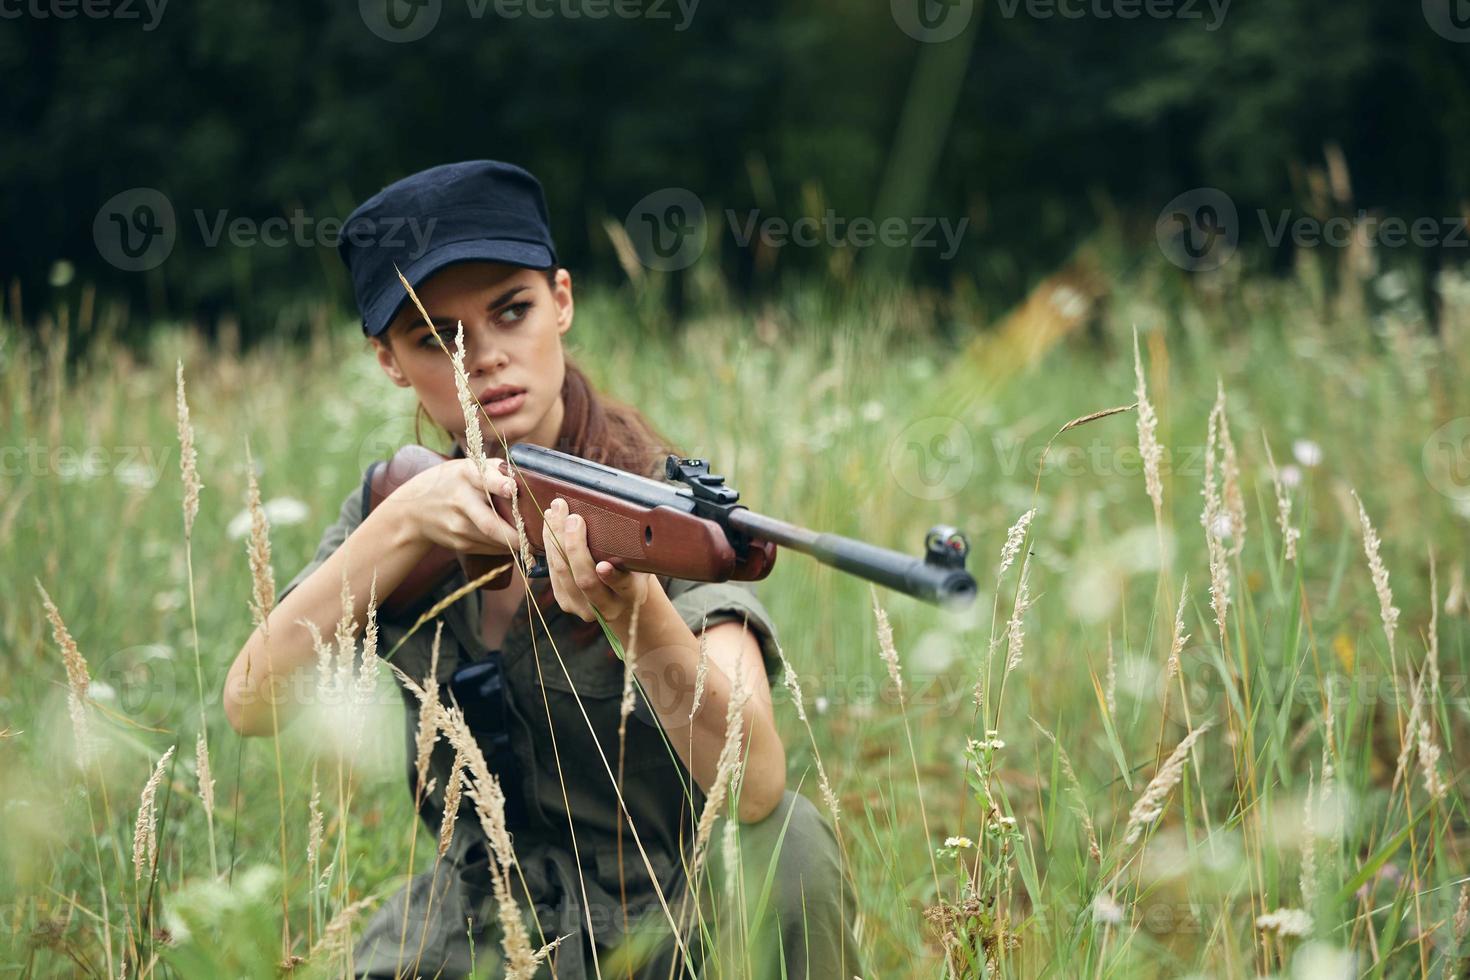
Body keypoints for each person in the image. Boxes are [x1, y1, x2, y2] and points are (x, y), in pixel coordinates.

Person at [222, 160, 862, 979]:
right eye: (437, 338)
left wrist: (634, 614)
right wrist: (401, 530)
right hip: (479, 922)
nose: (485, 358)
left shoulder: (656, 509)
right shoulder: (395, 509)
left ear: (561, 301)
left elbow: (754, 781)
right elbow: (251, 703)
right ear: (389, 360)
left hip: (667, 917)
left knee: (792, 843)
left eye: (511, 311)